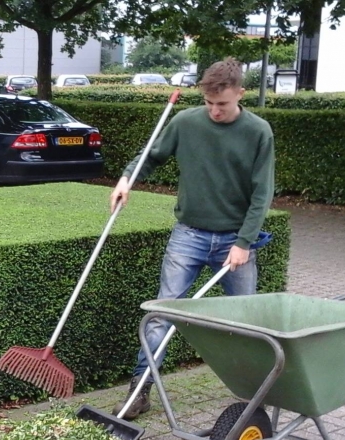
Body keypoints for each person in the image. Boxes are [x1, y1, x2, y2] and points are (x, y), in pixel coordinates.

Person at [109, 58, 276, 420]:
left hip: (235, 239)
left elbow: (262, 194)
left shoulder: (258, 131)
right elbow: (150, 156)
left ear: (240, 95)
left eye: (223, 105)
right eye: (209, 103)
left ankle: (255, 398)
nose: (215, 111)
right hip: (189, 235)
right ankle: (140, 391)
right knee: (162, 314)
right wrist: (126, 179)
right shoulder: (185, 122)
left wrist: (244, 243)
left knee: (245, 322)